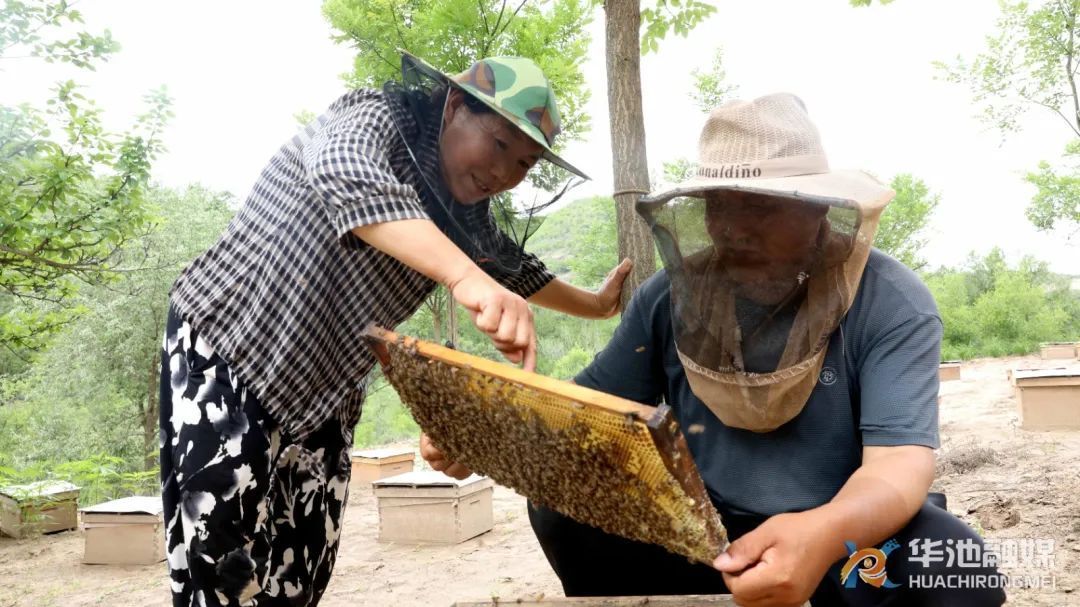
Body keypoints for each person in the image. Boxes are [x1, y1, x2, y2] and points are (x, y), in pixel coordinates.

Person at [424, 93, 1007, 606]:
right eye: (718, 205)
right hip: (705, 536)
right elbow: (583, 412)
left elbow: (898, 469)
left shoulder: (892, 301)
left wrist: (822, 534)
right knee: (565, 509)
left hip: (844, 534)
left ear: (818, 208)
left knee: (958, 572)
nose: (732, 229)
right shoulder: (668, 298)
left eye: (758, 205)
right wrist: (485, 432)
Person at [159, 51, 630, 607]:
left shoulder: (465, 215)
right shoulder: (375, 116)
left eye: (524, 164)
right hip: (228, 349)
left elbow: (514, 270)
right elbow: (343, 170)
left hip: (323, 395)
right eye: (500, 145)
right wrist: (464, 277)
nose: (505, 174)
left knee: (300, 570)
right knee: (218, 563)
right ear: (454, 105)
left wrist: (598, 307)